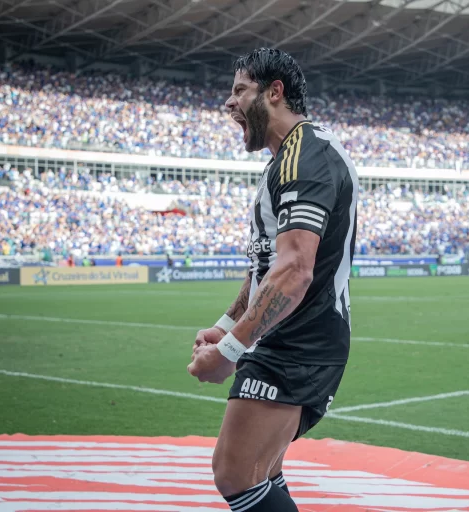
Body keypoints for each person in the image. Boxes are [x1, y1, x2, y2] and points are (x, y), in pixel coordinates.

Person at [187, 48, 358, 512]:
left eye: (240, 89)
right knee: (260, 472)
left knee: (236, 474)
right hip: (287, 336)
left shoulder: (306, 155)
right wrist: (228, 322)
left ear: (275, 92)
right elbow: (266, 263)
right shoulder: (288, 157)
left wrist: (228, 351)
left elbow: (295, 270)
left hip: (299, 340)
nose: (228, 102)